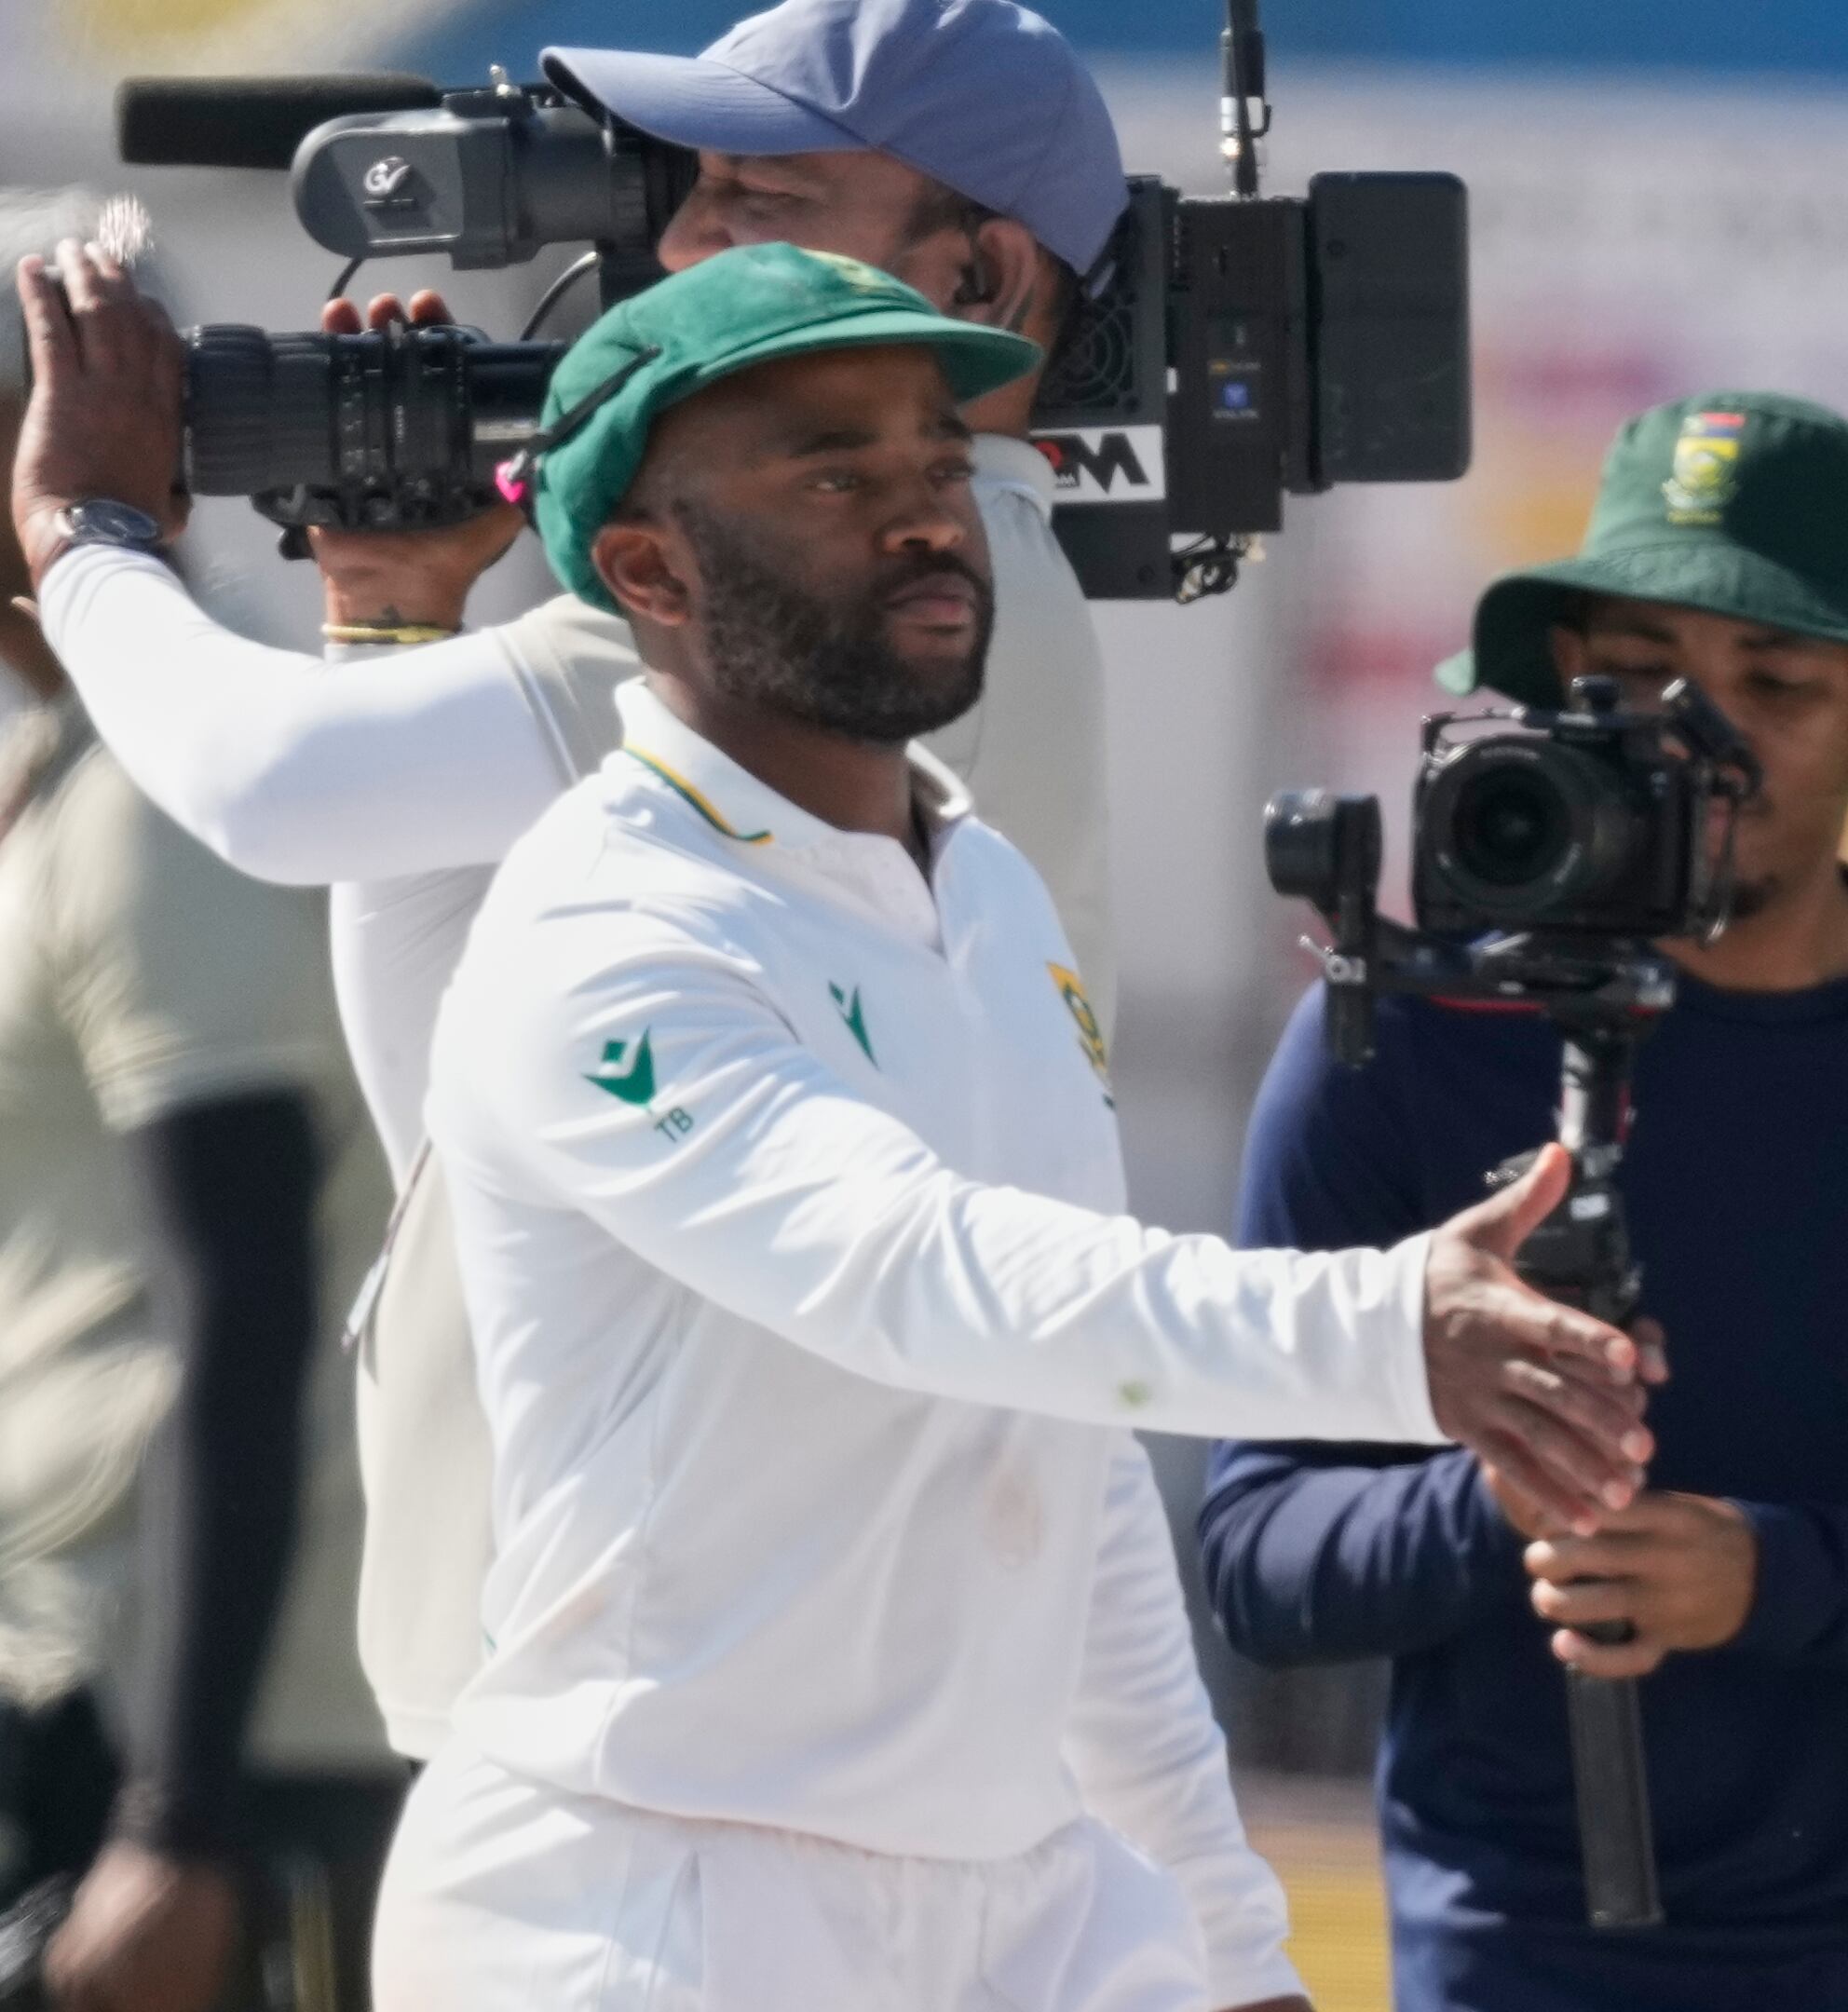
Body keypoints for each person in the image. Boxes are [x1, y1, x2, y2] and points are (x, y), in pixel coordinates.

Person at [19, 242, 1655, 2012]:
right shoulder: (610, 924)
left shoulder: (987, 890)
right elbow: (918, 1269)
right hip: (640, 1909)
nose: (925, 516)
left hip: (1022, 1900)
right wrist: (1383, 1328)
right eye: (833, 471)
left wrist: (1222, 1943)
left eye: (939, 462)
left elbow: (1075, 1458)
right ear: (643, 566)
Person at [23, 0, 1186, 1944]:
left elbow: (268, 787)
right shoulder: (937, 564)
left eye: (767, 197)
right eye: (691, 190)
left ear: (977, 275)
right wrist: (392, 622)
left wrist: (88, 533)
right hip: (682, 1705)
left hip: (722, 1777)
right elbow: (456, 1102)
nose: (680, 244)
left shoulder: (877, 567)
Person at [1201, 391, 1848, 2012]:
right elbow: (1258, 1556)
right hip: (1509, 1975)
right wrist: (1494, 1488)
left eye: (1774, 684)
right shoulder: (1411, 1038)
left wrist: (1766, 1577)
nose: (1688, 738)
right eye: (1634, 676)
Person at [0, 190, 402, 2012]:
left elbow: (241, 1302)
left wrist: (181, 1817)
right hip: (82, 1661)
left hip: (224, 1735)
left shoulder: (175, 784)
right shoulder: (62, 753)